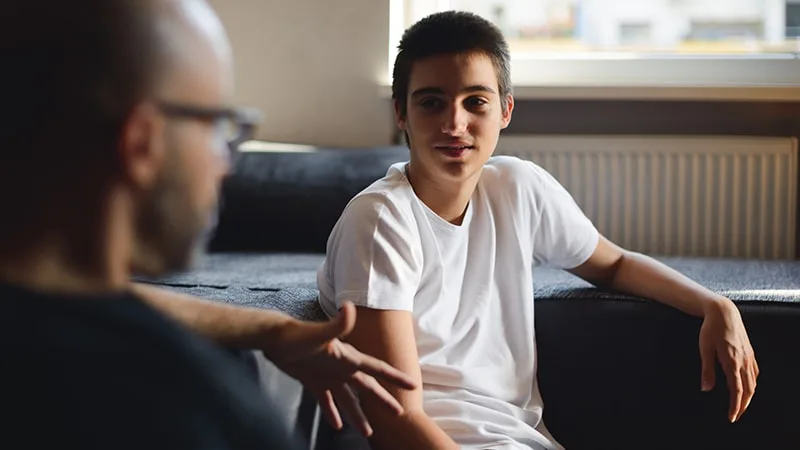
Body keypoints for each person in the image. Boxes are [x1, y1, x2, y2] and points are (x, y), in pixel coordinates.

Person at [316, 11, 760, 450]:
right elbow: (396, 417)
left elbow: (615, 264)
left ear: (505, 110)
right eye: (431, 102)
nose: (455, 124)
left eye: (476, 101)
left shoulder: (518, 188)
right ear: (401, 113)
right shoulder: (379, 221)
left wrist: (714, 305)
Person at [0, 0, 415, 447]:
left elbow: (81, 293)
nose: (226, 165)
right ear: (142, 142)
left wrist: (272, 328)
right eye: (219, 126)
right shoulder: (183, 406)